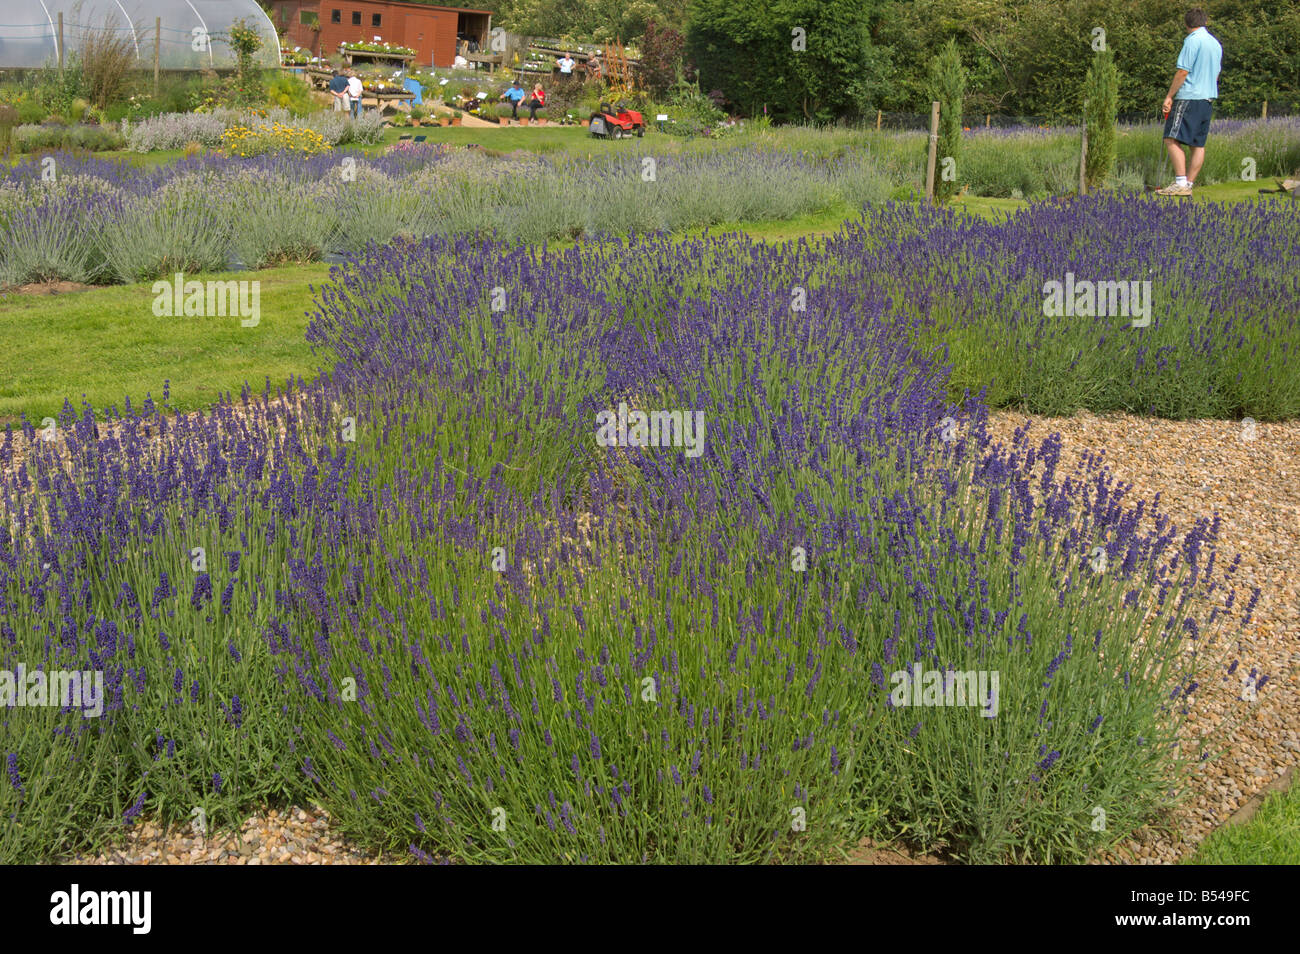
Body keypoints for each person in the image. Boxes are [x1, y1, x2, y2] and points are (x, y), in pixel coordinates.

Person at [1155, 8, 1222, 196]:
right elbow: (1216, 74)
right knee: (1197, 144)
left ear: (1187, 24)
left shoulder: (1192, 41)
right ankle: (1189, 185)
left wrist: (1169, 96)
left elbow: (1182, 71)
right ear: (1205, 21)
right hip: (1207, 99)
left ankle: (1180, 183)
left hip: (1189, 97)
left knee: (1170, 138)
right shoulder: (1215, 44)